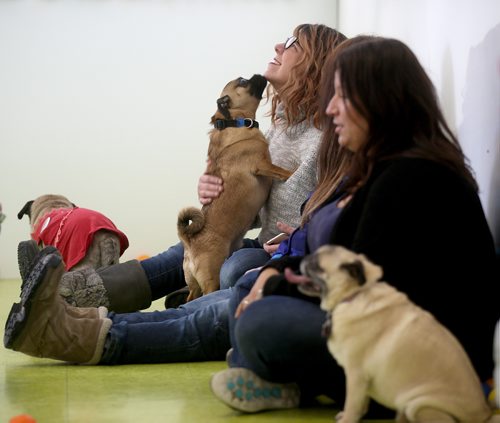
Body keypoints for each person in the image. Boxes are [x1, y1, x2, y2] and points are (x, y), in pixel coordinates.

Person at [4, 24, 349, 365]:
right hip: (271, 244)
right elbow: (261, 204)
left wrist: (297, 235)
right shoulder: (282, 125)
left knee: (230, 274)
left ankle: (77, 322)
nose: (278, 45)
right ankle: (65, 292)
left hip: (281, 251)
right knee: (187, 247)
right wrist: (218, 189)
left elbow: (319, 212)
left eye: (291, 43)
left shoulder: (331, 138)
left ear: (316, 63)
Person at [209, 36, 500, 418]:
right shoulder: (377, 168)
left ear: (383, 100)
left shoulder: (415, 177)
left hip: (425, 363)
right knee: (248, 288)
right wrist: (275, 274)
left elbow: (357, 286)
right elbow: (332, 255)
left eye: (342, 97)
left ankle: (282, 379)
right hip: (382, 330)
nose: (330, 110)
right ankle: (277, 377)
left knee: (261, 319)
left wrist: (277, 282)